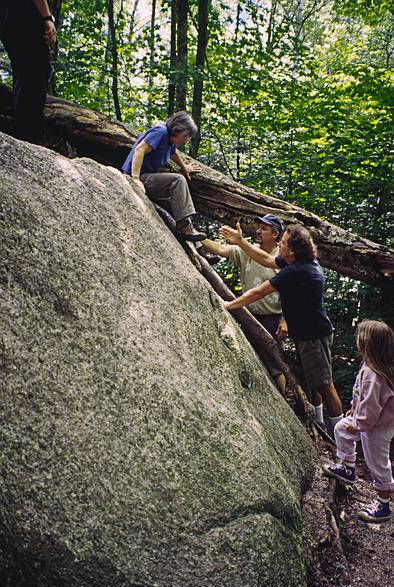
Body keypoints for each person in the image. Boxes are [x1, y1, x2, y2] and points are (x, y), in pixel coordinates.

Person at [219, 221, 343, 428]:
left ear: (292, 250)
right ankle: (320, 422)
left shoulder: (297, 271)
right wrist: (241, 242)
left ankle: (342, 444)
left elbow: (260, 291)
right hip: (310, 333)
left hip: (313, 335)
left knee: (325, 385)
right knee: (315, 381)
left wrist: (229, 305)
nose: (280, 246)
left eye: (284, 243)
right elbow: (266, 259)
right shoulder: (299, 263)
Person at [202, 214, 287, 394]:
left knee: (274, 365)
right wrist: (195, 235)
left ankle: (282, 400)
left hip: (272, 319)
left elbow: (293, 291)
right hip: (248, 315)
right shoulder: (248, 251)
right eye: (259, 227)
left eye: (264, 228)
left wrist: (285, 320)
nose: (258, 231)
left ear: (275, 234)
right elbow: (221, 250)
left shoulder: (282, 256)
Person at [323, 320, 394, 523]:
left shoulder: (374, 374)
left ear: (365, 343)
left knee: (377, 463)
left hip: (378, 427)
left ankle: (383, 505)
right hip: (368, 420)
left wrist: (359, 421)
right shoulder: (369, 365)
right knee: (341, 429)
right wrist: (355, 410)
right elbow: (362, 396)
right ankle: (348, 467)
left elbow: (372, 405)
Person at [122, 111, 206, 243]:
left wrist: (185, 168)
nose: (187, 140)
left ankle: (198, 246)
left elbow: (173, 154)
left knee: (177, 205)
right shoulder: (160, 132)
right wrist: (135, 179)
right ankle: (185, 228)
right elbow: (140, 150)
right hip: (140, 177)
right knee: (178, 180)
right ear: (178, 130)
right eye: (186, 136)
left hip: (148, 178)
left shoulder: (169, 140)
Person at [0, 0, 56, 144]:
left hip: (8, 16)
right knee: (33, 75)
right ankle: (26, 141)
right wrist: (47, 18)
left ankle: (21, 139)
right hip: (24, 12)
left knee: (24, 75)